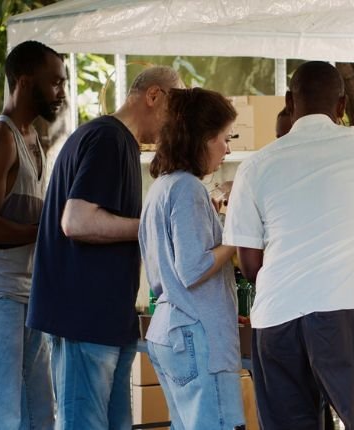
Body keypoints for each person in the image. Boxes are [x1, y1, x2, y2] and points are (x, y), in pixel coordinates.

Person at [223, 61, 354, 429]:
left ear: (289, 102)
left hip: (275, 316)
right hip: (340, 309)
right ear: (342, 105)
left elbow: (250, 264)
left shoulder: (255, 166)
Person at [27, 66, 179, 429]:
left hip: (108, 319)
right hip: (85, 319)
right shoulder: (107, 138)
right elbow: (76, 221)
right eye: (176, 111)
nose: (176, 125)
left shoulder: (118, 141)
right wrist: (153, 227)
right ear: (153, 96)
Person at [0, 40, 65, 430]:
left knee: (39, 413)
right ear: (24, 82)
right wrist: (45, 234)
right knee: (0, 413)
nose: (61, 93)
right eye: (54, 83)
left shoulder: (34, 139)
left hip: (27, 290)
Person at [138, 87, 246, 429]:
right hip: (197, 335)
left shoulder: (161, 187)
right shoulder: (187, 189)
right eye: (223, 138)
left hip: (170, 330)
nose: (227, 149)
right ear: (200, 139)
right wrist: (236, 234)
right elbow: (193, 267)